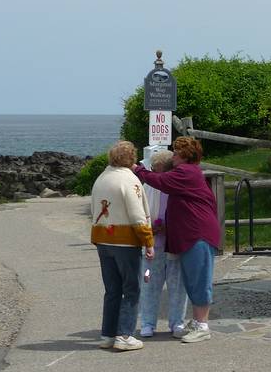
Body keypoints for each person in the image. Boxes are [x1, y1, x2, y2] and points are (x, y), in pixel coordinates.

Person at [135, 136, 220, 343]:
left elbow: (159, 181)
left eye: (175, 153)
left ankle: (202, 326)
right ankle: (198, 322)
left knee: (199, 280)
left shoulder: (185, 172)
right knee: (192, 280)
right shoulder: (191, 172)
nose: (173, 156)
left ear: (184, 155)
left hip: (197, 234)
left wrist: (138, 170)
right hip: (193, 234)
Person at [90, 140, 154, 351]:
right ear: (131, 159)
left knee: (112, 290)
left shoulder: (101, 179)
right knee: (131, 288)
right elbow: (137, 216)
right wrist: (148, 241)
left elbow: (93, 209)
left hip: (103, 238)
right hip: (125, 241)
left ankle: (108, 334)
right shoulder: (129, 180)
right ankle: (125, 335)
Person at [138, 149, 188, 338]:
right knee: (149, 281)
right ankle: (148, 322)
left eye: (160, 171)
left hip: (174, 243)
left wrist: (169, 228)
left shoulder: (176, 186)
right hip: (153, 245)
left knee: (177, 284)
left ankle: (177, 322)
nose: (157, 175)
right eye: (155, 170)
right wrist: (148, 226)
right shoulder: (149, 186)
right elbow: (141, 210)